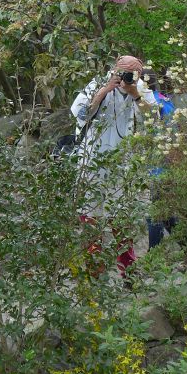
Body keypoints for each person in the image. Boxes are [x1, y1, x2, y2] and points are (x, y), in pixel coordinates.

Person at [69, 55, 157, 279]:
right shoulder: (98, 83)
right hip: (91, 162)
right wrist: (104, 90)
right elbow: (80, 113)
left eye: (133, 73)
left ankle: (129, 276)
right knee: (90, 221)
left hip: (121, 164)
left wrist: (135, 93)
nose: (127, 77)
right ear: (114, 69)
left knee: (121, 222)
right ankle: (94, 276)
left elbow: (153, 119)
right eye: (124, 72)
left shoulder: (139, 89)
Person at [140, 69, 178, 249]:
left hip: (158, 163)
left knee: (154, 211)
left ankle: (154, 253)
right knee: (164, 212)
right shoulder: (164, 99)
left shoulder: (150, 103)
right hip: (166, 161)